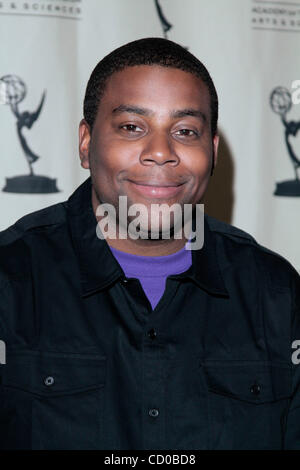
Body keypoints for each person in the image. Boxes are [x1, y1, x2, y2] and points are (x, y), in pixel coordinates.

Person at [0, 37, 299, 450]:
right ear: (86, 143)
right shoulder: (9, 278)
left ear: (211, 151)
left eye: (185, 131)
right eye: (131, 127)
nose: (161, 152)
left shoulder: (275, 291)